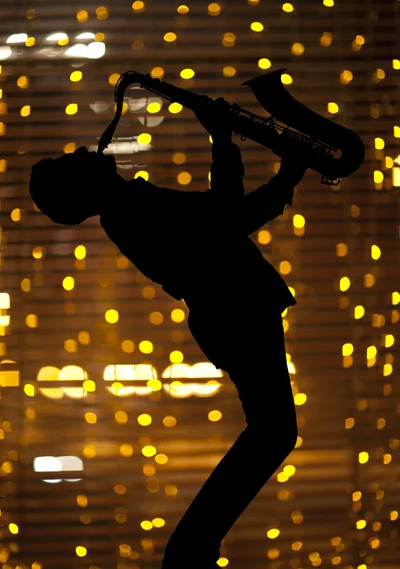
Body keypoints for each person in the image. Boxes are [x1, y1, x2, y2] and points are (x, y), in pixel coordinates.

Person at [29, 95, 310, 569]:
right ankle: (191, 546)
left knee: (273, 431)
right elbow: (229, 217)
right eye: (69, 161)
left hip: (233, 313)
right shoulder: (131, 211)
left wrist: (249, 155)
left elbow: (223, 216)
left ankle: (193, 545)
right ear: (80, 184)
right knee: (273, 431)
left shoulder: (130, 207)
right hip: (236, 311)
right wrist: (279, 171)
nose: (80, 151)